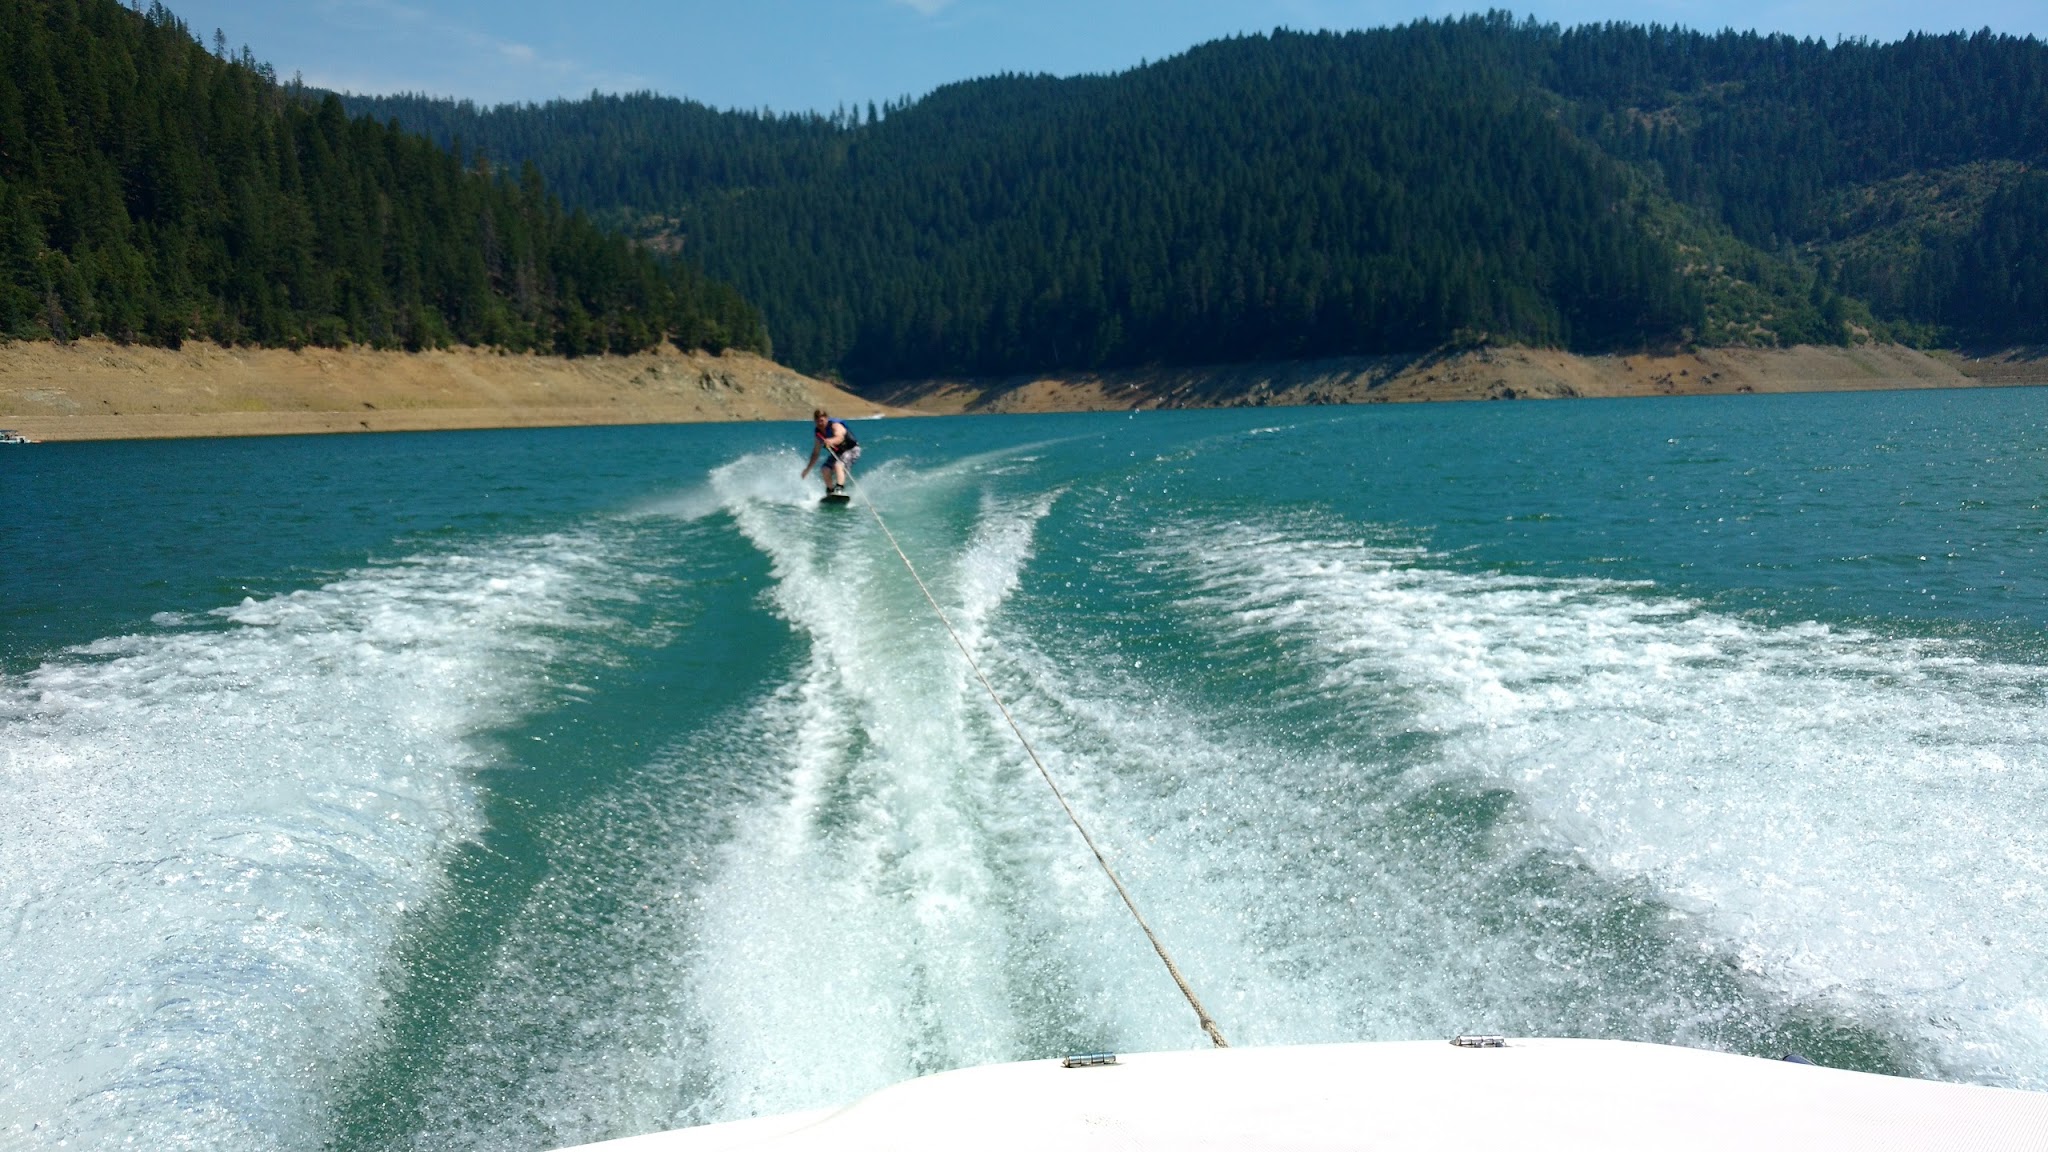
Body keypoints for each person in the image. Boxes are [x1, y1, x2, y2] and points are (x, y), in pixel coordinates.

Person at [801, 408, 860, 495]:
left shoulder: (835, 425)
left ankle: (839, 489)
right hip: (838, 453)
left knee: (838, 465)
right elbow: (815, 453)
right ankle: (830, 490)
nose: (820, 424)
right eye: (817, 421)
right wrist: (807, 469)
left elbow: (840, 437)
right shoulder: (818, 434)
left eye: (822, 421)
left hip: (851, 450)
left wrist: (830, 441)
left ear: (827, 419)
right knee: (825, 469)